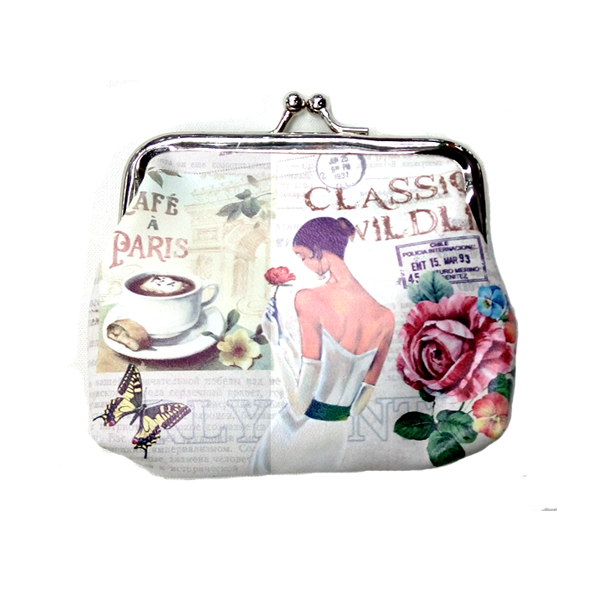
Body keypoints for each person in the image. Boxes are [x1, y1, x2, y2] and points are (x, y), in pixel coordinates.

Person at [250, 217, 395, 475]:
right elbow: (358, 407)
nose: (303, 264)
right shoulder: (386, 317)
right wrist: (285, 338)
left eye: (303, 256)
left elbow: (299, 406)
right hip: (336, 440)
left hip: (293, 436)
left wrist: (275, 340)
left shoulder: (309, 299)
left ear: (319, 251)